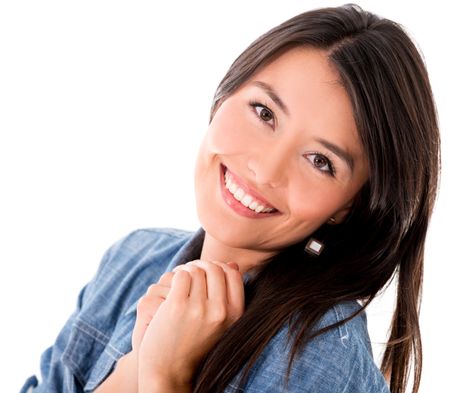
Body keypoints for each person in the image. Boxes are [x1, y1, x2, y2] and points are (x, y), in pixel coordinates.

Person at [20, 4, 440, 393]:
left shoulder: (319, 355)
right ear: (225, 94)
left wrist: (165, 376)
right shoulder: (133, 259)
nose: (266, 170)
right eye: (264, 113)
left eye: (319, 160)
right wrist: (138, 365)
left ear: (348, 207)